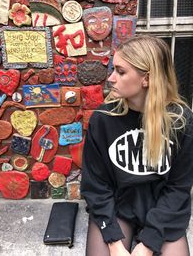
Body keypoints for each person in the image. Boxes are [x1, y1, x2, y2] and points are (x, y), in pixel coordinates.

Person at [81, 34, 193, 256]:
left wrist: (149, 243)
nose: (111, 78)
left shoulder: (181, 122)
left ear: (146, 79)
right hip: (118, 209)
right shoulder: (103, 119)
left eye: (121, 72)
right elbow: (95, 186)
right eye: (114, 69)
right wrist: (114, 242)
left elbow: (179, 188)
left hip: (164, 211)